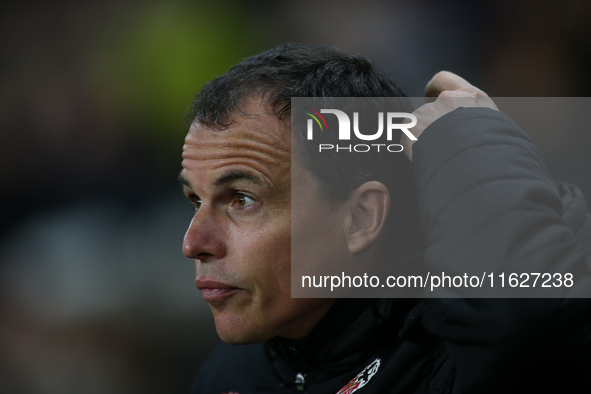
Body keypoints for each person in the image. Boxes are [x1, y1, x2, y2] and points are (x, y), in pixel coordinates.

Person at [179, 44, 591, 393]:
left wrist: (469, 136)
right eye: (196, 200)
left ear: (362, 218)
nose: (193, 243)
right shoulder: (229, 375)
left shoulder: (452, 360)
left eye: (242, 199)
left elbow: (524, 321)